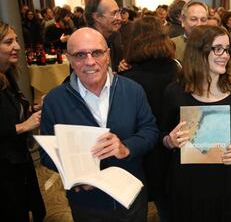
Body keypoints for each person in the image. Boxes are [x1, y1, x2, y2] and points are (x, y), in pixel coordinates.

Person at [40, 27, 159, 222]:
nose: (89, 61)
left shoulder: (133, 90)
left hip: (130, 195)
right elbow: (45, 154)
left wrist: (126, 147)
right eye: (80, 55)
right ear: (69, 58)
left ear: (108, 55)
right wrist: (74, 174)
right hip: (86, 201)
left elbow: (150, 130)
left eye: (96, 52)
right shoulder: (55, 100)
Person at [161, 25, 231, 222]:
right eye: (217, 48)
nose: (225, 55)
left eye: (227, 49)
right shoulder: (175, 93)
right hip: (188, 187)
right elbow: (160, 134)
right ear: (198, 51)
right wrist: (169, 141)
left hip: (230, 185)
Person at [120, 16, 179, 222]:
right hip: (174, 143)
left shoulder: (126, 79)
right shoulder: (178, 69)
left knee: (139, 204)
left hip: (142, 149)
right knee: (170, 203)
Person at [0, 20, 46, 222]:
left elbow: (9, 113)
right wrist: (23, 126)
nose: (17, 47)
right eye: (9, 42)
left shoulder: (8, 74)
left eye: (16, 41)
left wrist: (34, 108)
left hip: (18, 162)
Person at [84, 0, 124, 72]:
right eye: (114, 13)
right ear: (97, 17)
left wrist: (121, 68)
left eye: (119, 12)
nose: (119, 18)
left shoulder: (115, 36)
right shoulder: (84, 43)